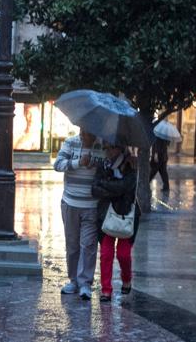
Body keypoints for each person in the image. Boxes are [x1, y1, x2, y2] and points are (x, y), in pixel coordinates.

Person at [53, 128, 106, 300]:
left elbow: (109, 167)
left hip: (91, 204)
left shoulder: (102, 145)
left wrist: (98, 165)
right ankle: (73, 280)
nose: (85, 136)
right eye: (83, 132)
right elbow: (58, 164)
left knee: (89, 245)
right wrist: (78, 163)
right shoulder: (70, 143)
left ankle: (85, 283)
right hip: (70, 202)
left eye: (89, 132)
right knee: (72, 244)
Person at [91, 143, 140, 302]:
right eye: (107, 147)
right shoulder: (102, 165)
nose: (109, 150)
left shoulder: (131, 165)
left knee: (123, 254)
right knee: (106, 254)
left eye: (112, 147)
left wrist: (105, 185)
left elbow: (125, 186)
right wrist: (114, 188)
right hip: (106, 214)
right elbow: (94, 189)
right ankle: (106, 290)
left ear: (121, 148)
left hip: (126, 215)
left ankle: (127, 279)